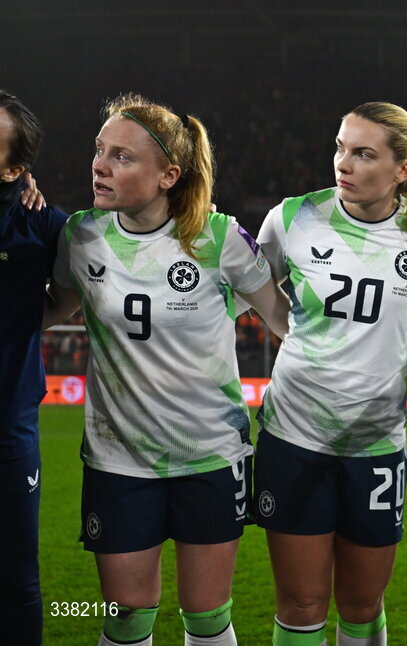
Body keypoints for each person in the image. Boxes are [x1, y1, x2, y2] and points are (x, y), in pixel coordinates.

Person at [44, 93, 291, 646]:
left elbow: (284, 322)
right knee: (126, 615)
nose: (100, 164)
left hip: (209, 454)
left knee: (205, 617)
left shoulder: (217, 237)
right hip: (118, 459)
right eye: (99, 150)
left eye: (123, 157)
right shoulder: (81, 235)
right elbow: (53, 308)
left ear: (167, 175)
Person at [254, 101, 407, 646]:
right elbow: (244, 291)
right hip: (294, 438)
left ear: (403, 170)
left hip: (376, 448)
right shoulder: (292, 217)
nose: (343, 163)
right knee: (301, 602)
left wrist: (385, 343)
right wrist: (291, 326)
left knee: (364, 605)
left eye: (364, 153)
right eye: (341, 147)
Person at [0, 90, 65, 646]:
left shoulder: (42, 226)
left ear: (14, 167)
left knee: (17, 583)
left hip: (7, 432)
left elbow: (74, 287)